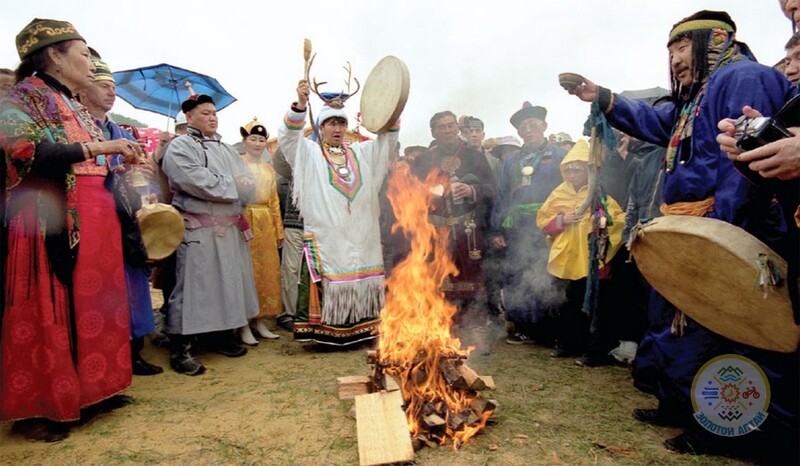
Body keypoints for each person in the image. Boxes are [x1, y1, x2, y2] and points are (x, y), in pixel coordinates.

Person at [566, 10, 798, 457]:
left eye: (682, 47)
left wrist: (724, 233)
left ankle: (720, 428)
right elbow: (658, 123)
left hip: (723, 226)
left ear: (714, 41)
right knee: (674, 325)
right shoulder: (694, 98)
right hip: (688, 228)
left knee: (718, 332)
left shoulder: (744, 78)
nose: (673, 59)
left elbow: (742, 165)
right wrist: (604, 97)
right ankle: (678, 404)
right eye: (669, 50)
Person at [0, 18, 143, 441]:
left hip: (96, 217)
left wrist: (115, 163)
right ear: (55, 57)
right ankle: (42, 407)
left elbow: (87, 159)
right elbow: (23, 150)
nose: (90, 63)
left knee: (96, 304)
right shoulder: (24, 97)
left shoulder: (72, 102)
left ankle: (94, 391)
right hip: (52, 218)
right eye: (83, 54)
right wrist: (99, 146)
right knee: (50, 306)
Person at [277, 79, 399, 347]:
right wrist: (300, 105)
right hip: (327, 236)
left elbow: (387, 143)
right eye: (331, 123)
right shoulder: (310, 153)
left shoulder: (361, 152)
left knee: (361, 274)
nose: (337, 128)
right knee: (331, 275)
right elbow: (288, 138)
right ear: (320, 127)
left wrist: (391, 108)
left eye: (341, 123)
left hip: (362, 234)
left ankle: (363, 330)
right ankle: (326, 333)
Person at [76, 56, 162, 376]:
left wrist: (144, 172)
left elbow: (141, 179)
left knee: (134, 283)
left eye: (113, 88)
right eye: (103, 86)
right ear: (84, 90)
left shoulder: (120, 131)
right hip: (95, 217)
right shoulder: (78, 127)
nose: (111, 93)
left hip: (125, 217)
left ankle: (135, 350)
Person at [162, 94, 259, 375]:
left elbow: (248, 179)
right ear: (189, 117)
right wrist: (235, 184)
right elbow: (193, 179)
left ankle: (220, 336)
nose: (212, 117)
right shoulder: (180, 146)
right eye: (205, 113)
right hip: (199, 228)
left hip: (229, 228)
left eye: (214, 113)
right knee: (193, 287)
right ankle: (181, 346)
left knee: (227, 284)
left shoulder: (227, 148)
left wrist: (243, 185)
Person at [410, 110, 495, 352]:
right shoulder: (423, 160)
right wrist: (425, 193)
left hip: (467, 230)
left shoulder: (475, 156)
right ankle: (440, 330)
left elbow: (492, 189)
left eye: (450, 125)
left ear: (457, 128)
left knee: (472, 279)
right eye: (441, 127)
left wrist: (472, 191)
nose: (447, 130)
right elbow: (408, 194)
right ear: (433, 132)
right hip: (434, 232)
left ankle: (474, 330)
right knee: (435, 281)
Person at [536, 139, 625, 359]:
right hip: (566, 258)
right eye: (568, 169)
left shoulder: (600, 193)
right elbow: (543, 219)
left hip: (591, 258)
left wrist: (600, 224)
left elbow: (619, 220)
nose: (572, 173)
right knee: (568, 303)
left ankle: (594, 349)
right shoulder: (559, 193)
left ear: (588, 170)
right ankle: (568, 344)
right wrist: (562, 219)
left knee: (595, 304)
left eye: (577, 169)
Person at [489, 103, 565, 346]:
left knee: (547, 273)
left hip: (548, 225)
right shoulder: (511, 162)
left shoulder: (560, 157)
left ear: (544, 126)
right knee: (518, 272)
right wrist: (497, 229)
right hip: (518, 227)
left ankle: (549, 329)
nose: (528, 130)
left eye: (533, 125)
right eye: (523, 127)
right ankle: (521, 326)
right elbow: (502, 196)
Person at [238, 117, 283, 345]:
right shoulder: (237, 164)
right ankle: (244, 324)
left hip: (265, 221)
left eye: (261, 140)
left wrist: (278, 231)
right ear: (244, 141)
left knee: (266, 271)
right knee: (248, 272)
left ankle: (260, 320)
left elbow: (274, 202)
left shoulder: (269, 169)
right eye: (253, 139)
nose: (257, 144)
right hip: (245, 219)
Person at [271, 145, 303, 333]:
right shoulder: (294, 170)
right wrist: (295, 138)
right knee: (291, 269)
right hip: (294, 224)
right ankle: (288, 313)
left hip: (320, 226)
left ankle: (312, 311)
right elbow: (279, 161)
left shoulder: (326, 163)